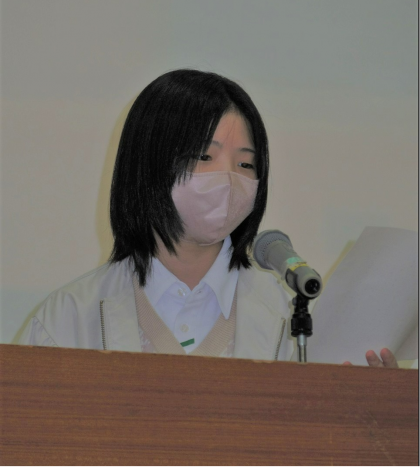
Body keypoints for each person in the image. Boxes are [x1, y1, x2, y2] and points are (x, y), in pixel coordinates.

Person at [18, 69, 398, 367]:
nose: (229, 178)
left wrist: (373, 409)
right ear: (147, 163)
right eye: (204, 157)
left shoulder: (288, 321)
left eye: (245, 164)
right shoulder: (69, 317)